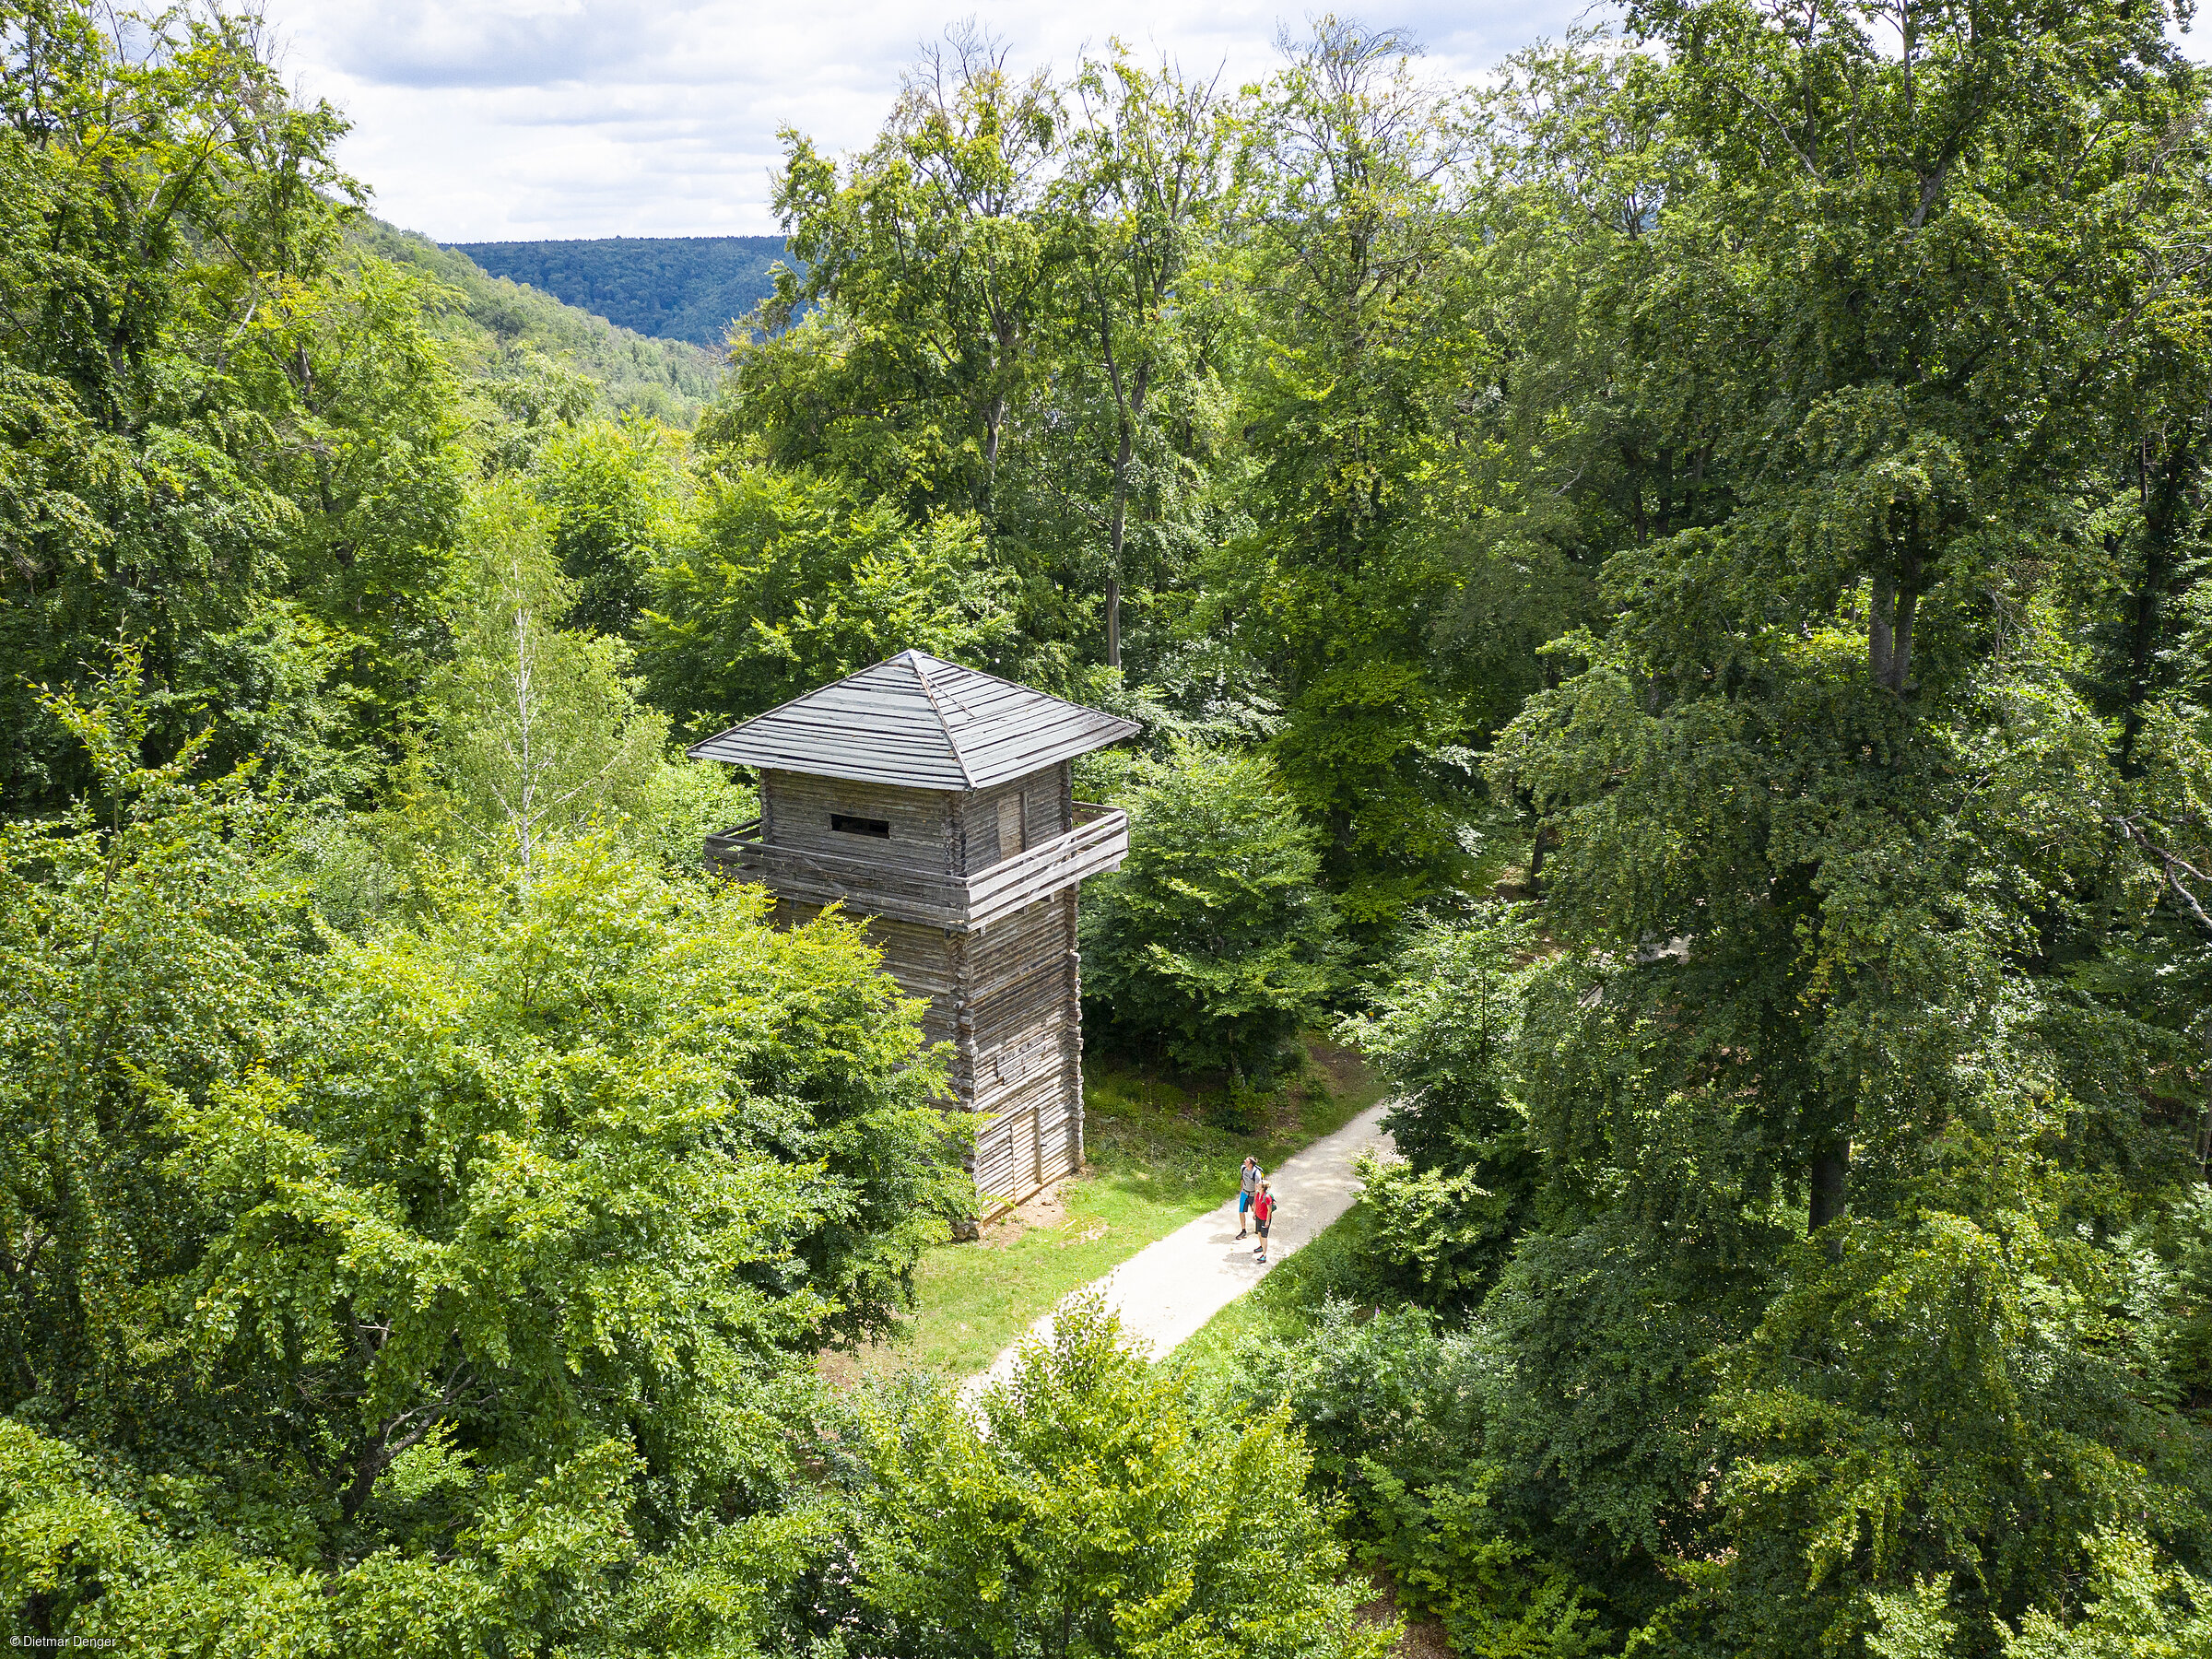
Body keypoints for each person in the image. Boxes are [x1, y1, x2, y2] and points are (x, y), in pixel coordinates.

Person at [1252, 1182, 1277, 1264]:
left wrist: (1267, 1221)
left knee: (1264, 1236)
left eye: (1259, 1184)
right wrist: (1254, 1213)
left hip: (1265, 1219)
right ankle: (1262, 1246)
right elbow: (1256, 1205)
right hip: (1259, 1217)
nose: (1257, 1185)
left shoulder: (1267, 1197)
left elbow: (1269, 1210)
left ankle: (1264, 1255)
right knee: (1259, 1233)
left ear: (1262, 1187)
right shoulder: (1257, 1194)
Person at [1237, 1156, 1260, 1238]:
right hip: (1244, 1193)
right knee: (1241, 1211)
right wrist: (1241, 1188)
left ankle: (1259, 1226)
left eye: (1246, 1161)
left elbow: (1257, 1188)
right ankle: (1243, 1230)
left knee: (1255, 1210)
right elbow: (1242, 1178)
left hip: (1252, 1194)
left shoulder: (1256, 1174)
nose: (1244, 1161)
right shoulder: (1243, 1168)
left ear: (1250, 1164)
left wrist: (1254, 1201)